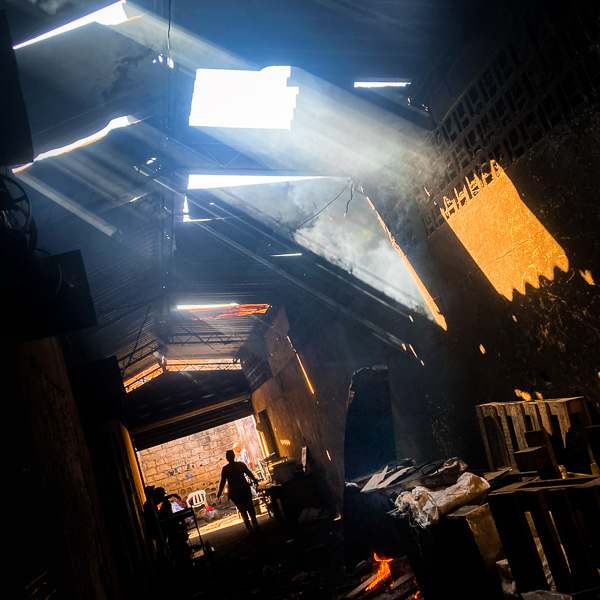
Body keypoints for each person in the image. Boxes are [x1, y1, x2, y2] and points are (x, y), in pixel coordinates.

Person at [217, 449, 259, 532]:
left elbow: (223, 481)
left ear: (227, 458)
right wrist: (255, 480)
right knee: (249, 505)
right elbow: (248, 473)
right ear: (234, 456)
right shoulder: (240, 465)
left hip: (234, 489)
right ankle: (255, 523)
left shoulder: (226, 469)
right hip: (244, 486)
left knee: (241, 508)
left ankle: (249, 527)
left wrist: (219, 492)